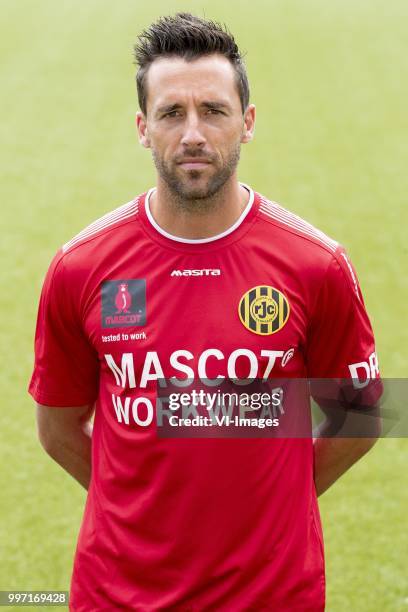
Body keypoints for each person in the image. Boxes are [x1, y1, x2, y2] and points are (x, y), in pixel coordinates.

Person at [29, 12, 382, 611]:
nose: (192, 133)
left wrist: (278, 505)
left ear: (246, 123)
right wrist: (141, 512)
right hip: (118, 595)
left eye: (213, 111)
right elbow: (57, 428)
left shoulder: (316, 263)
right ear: (143, 127)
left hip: (272, 595)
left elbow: (361, 417)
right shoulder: (80, 267)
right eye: (172, 113)